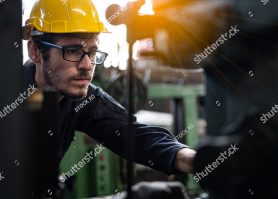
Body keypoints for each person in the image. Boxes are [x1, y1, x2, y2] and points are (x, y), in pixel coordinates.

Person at [22, 0, 196, 196]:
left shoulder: (81, 99)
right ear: (35, 51)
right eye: (72, 51)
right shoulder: (10, 100)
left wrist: (191, 158)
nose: (87, 65)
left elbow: (132, 134)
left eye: (93, 52)